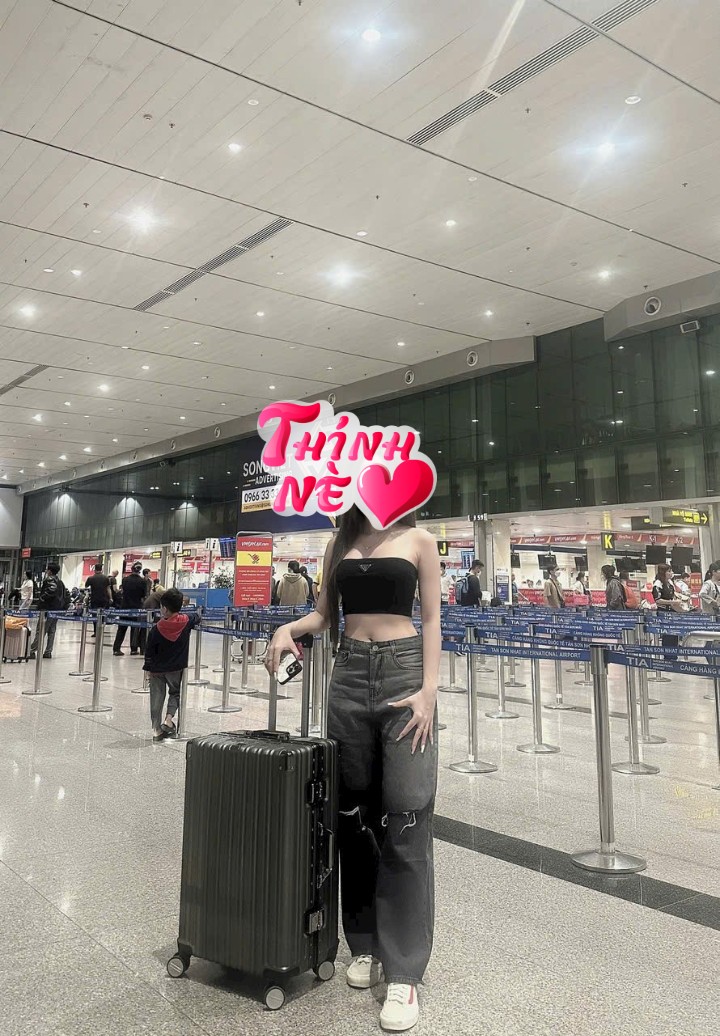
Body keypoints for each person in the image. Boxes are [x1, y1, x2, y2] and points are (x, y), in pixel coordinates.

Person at [265, 506, 440, 1033]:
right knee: (354, 816)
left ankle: (404, 971)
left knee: (407, 815)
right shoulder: (339, 542)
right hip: (348, 675)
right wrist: (287, 628)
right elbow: (324, 615)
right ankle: (364, 943)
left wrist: (429, 692)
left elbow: (432, 619)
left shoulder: (419, 540)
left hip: (405, 671)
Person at [143, 588, 199, 742]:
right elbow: (196, 617)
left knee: (156, 698)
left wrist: (147, 669)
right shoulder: (186, 621)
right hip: (176, 668)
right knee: (175, 692)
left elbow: (149, 651)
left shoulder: (156, 628)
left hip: (157, 669)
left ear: (165, 609)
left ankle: (156, 730)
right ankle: (168, 720)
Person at [113, 562, 149, 656]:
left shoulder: (125, 580)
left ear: (132, 569)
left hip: (124, 606)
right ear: (140, 570)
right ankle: (133, 649)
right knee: (135, 628)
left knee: (121, 628)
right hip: (136, 607)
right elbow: (144, 595)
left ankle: (116, 648)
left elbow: (123, 591)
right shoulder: (143, 581)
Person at [30, 562, 65, 659]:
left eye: (47, 569)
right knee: (52, 631)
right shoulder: (60, 581)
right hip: (57, 610)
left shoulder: (49, 579)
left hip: (48, 609)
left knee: (41, 630)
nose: (46, 571)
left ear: (50, 571)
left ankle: (32, 650)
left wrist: (42, 599)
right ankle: (48, 651)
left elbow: (51, 590)